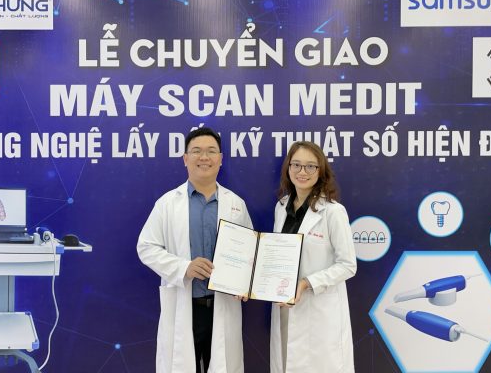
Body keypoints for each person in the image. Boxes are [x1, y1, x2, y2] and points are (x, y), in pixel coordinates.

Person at [137, 127, 252, 373]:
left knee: (224, 365)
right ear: (185, 158)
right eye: (197, 151)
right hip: (185, 304)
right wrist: (184, 268)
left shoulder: (236, 204)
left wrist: (245, 282)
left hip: (222, 305)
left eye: (211, 151)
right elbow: (146, 247)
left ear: (221, 159)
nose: (204, 157)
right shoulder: (168, 203)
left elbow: (249, 252)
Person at [270, 141, 357, 373]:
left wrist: (307, 283)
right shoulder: (281, 207)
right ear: (288, 168)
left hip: (319, 312)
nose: (302, 172)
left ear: (320, 171)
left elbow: (348, 265)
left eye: (310, 166)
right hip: (286, 308)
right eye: (296, 165)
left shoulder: (333, 211)